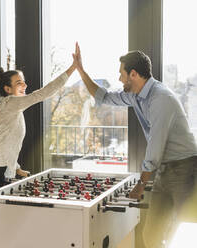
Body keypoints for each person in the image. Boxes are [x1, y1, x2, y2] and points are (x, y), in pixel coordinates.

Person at [72, 42, 197, 247]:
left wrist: (141, 184)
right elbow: (104, 97)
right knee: (151, 236)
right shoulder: (136, 95)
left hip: (186, 169)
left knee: (186, 235)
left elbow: (155, 147)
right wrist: (81, 70)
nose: (119, 78)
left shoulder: (161, 98)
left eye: (121, 74)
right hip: (165, 170)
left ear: (133, 74)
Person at [0, 53, 77, 248]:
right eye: (19, 83)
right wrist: (72, 69)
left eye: (24, 82)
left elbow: (7, 144)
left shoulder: (14, 111)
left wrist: (18, 168)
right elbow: (42, 94)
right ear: (8, 89)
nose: (24, 86)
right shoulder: (9, 104)